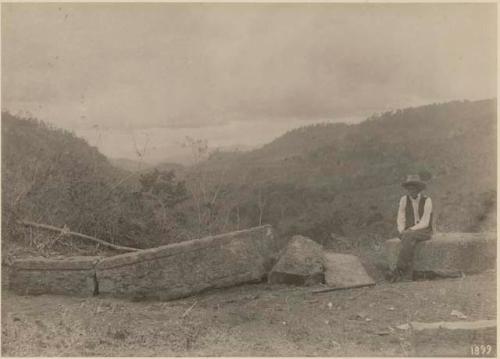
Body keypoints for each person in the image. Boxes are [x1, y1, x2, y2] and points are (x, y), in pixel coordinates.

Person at [390, 174, 433, 282]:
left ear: (419, 189)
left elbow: (425, 222)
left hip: (424, 231)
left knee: (409, 237)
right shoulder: (404, 200)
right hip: (408, 232)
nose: (410, 190)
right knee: (408, 240)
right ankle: (407, 276)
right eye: (409, 188)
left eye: (413, 187)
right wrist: (401, 231)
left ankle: (399, 269)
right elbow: (401, 218)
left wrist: (410, 230)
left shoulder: (427, 200)